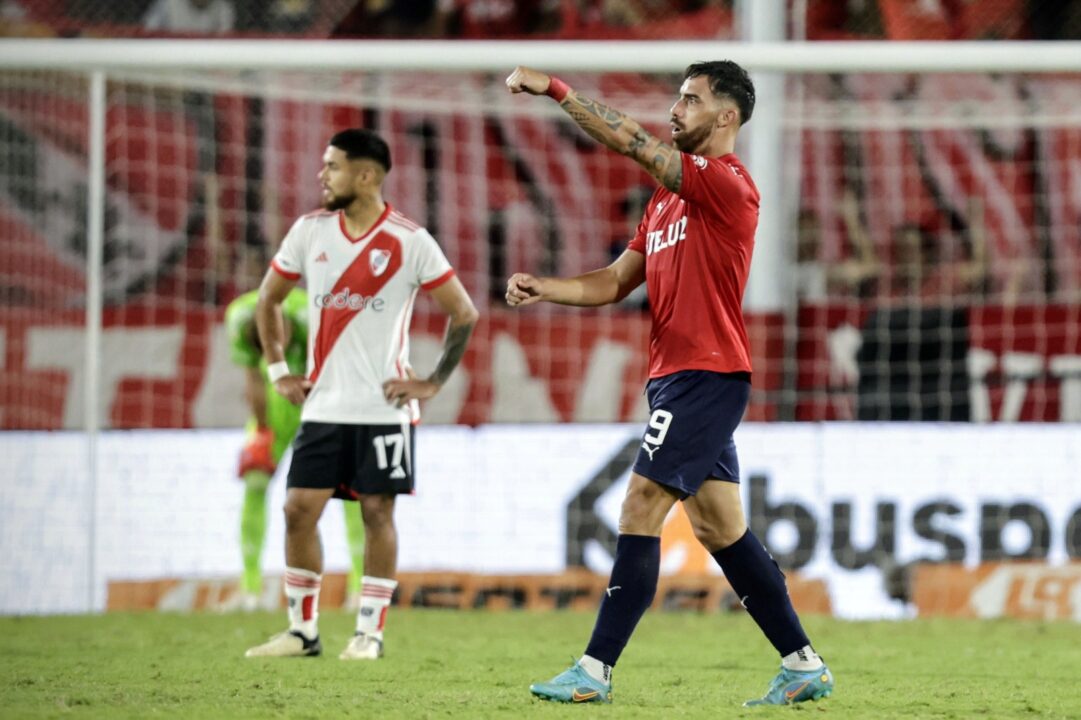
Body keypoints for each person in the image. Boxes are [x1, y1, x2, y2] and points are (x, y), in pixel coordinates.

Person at [504, 62, 834, 706]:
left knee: (638, 508)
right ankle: (802, 665)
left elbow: (632, 142)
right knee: (720, 530)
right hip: (676, 378)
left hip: (706, 375)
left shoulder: (728, 185)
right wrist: (550, 288)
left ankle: (594, 671)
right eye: (676, 97)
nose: (675, 109)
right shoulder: (664, 202)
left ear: (727, 116)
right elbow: (614, 282)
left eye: (691, 99)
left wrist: (559, 90)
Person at [245, 128, 478, 660]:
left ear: (367, 175)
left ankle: (368, 634)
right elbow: (268, 300)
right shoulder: (309, 232)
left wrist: (433, 381)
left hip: (383, 409)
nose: (322, 176)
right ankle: (303, 631)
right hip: (323, 405)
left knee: (377, 513)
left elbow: (463, 312)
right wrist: (279, 368)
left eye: (333, 166)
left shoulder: (409, 240)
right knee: (298, 510)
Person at [223, 287, 366, 611]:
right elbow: (254, 380)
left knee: (352, 488)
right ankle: (250, 590)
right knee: (256, 481)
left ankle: (360, 590)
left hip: (324, 397)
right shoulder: (237, 318)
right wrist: (261, 431)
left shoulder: (313, 313)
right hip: (276, 404)